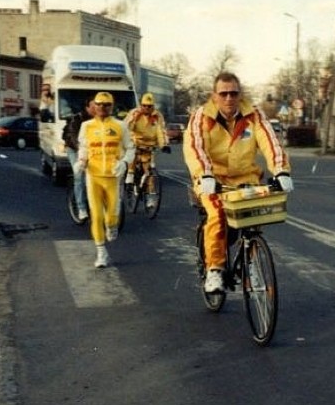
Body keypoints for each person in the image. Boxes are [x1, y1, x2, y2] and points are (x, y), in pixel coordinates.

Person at [184, 72, 293, 293]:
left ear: (239, 94)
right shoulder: (201, 116)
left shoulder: (254, 115)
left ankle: (251, 263)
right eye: (223, 93)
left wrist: (281, 171)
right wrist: (204, 174)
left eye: (233, 93)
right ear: (214, 96)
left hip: (245, 177)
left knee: (255, 214)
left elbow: (270, 142)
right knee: (216, 214)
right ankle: (214, 269)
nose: (228, 98)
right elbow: (195, 147)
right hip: (212, 179)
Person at [74, 91, 135, 268]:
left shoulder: (120, 126)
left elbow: (130, 148)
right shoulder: (86, 126)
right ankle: (101, 252)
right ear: (94, 106)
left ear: (112, 106)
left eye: (106, 105)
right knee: (97, 215)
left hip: (113, 176)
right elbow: (84, 148)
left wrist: (124, 163)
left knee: (111, 218)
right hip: (93, 176)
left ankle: (112, 226)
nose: (102, 108)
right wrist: (81, 162)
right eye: (99, 104)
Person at [125, 92, 170, 207]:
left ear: (153, 106)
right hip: (136, 141)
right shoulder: (134, 113)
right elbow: (127, 128)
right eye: (144, 105)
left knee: (149, 173)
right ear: (141, 105)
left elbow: (161, 131)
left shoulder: (157, 116)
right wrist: (130, 140)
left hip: (150, 145)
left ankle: (150, 197)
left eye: (149, 106)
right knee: (132, 155)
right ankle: (130, 176)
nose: (146, 108)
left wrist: (164, 145)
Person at [62, 96, 95, 221]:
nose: (96, 109)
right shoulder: (77, 119)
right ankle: (81, 208)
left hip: (91, 150)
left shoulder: (100, 120)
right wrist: (81, 151)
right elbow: (73, 136)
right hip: (74, 149)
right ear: (87, 107)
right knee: (79, 176)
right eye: (93, 107)